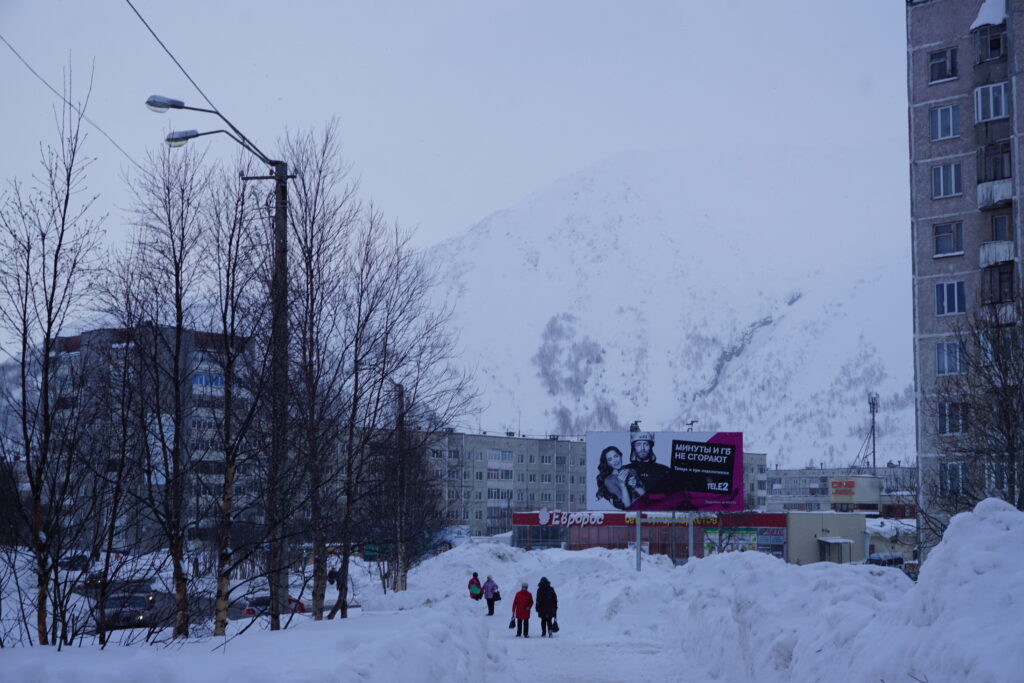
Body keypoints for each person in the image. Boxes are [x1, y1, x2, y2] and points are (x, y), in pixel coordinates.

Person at [624, 431, 669, 495]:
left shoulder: (664, 470)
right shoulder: (625, 470)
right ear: (633, 447)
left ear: (651, 446)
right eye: (638, 444)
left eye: (646, 444)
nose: (642, 448)